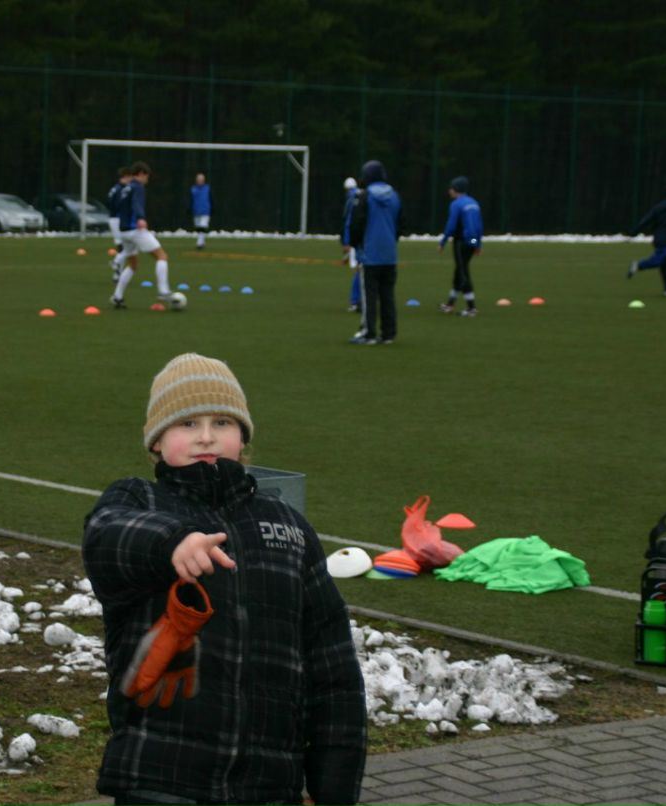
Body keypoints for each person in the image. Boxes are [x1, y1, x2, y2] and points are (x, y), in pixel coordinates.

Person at [83, 352, 367, 806]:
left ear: (244, 435)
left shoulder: (288, 525)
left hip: (269, 783)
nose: (207, 436)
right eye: (188, 424)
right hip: (159, 775)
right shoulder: (139, 501)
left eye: (222, 422)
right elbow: (106, 538)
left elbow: (331, 663)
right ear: (156, 441)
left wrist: (334, 783)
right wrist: (172, 543)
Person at [348, 160, 404, 345]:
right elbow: (400, 225)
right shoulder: (395, 196)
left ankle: (368, 332)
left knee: (369, 296)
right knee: (387, 294)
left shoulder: (365, 196)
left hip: (370, 254)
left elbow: (358, 224)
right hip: (390, 254)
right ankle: (389, 333)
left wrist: (356, 245)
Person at [110, 162, 173, 309]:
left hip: (123, 230)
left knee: (133, 265)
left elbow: (118, 205)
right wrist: (140, 217)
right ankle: (163, 291)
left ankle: (117, 297)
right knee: (161, 256)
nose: (147, 180)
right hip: (135, 229)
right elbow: (136, 203)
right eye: (146, 176)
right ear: (141, 174)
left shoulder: (125, 188)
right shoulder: (138, 187)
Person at [437, 176, 484, 317]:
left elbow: (451, 226)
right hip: (472, 240)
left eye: (451, 188)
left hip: (461, 242)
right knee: (459, 271)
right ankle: (450, 304)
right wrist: (478, 244)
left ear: (456, 189)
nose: (449, 190)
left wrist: (443, 242)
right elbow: (479, 226)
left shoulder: (456, 204)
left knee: (463, 273)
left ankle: (471, 308)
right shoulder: (474, 203)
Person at [628, 184, 666, 295]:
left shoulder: (659, 207)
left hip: (657, 237)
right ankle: (638, 265)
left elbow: (647, 219)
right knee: (658, 260)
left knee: (664, 264)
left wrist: (635, 231)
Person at [108, 167, 132, 282]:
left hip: (114, 219)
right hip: (118, 219)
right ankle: (116, 263)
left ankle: (117, 275)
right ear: (126, 176)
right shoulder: (121, 189)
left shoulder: (115, 188)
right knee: (125, 247)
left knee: (122, 247)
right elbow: (117, 205)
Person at [341, 177, 361, 314]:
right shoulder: (364, 195)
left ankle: (355, 301)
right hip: (367, 239)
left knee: (359, 271)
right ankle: (362, 301)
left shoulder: (351, 199)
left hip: (356, 238)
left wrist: (346, 241)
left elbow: (348, 221)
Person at [189, 172, 213, 249]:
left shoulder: (208, 188)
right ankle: (202, 242)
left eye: (201, 179)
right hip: (196, 211)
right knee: (198, 228)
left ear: (204, 180)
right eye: (198, 179)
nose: (200, 181)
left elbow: (212, 199)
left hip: (205, 211)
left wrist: (212, 208)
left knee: (203, 227)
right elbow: (190, 200)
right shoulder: (193, 189)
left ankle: (199, 244)